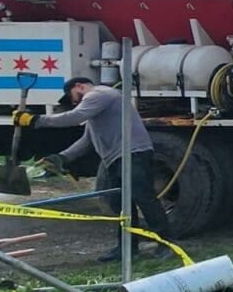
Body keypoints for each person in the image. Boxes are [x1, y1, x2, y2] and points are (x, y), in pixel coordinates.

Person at [19, 76, 174, 253]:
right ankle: (127, 248)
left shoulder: (99, 93)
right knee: (121, 204)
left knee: (144, 198)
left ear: (79, 86)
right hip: (118, 158)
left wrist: (35, 120)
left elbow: (75, 117)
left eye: (72, 96)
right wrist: (62, 157)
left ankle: (166, 244)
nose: (74, 101)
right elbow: (87, 140)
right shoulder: (97, 107)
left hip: (133, 153)